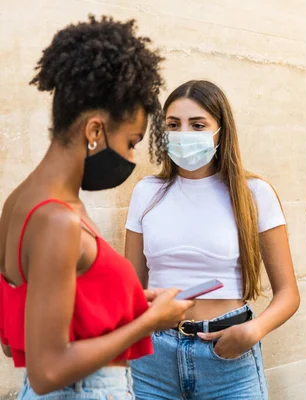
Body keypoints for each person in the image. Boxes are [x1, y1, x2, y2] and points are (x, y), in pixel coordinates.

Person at [0, 16, 194, 399]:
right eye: (132, 142)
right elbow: (47, 369)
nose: (132, 157)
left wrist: (133, 303)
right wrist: (151, 322)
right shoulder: (58, 218)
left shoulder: (19, 203)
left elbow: (17, 335)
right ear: (94, 132)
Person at [125, 80, 300, 399]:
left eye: (198, 125)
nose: (184, 134)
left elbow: (288, 293)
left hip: (227, 357)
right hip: (153, 360)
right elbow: (131, 290)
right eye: (173, 125)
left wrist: (254, 330)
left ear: (221, 131)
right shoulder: (145, 193)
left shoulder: (253, 194)